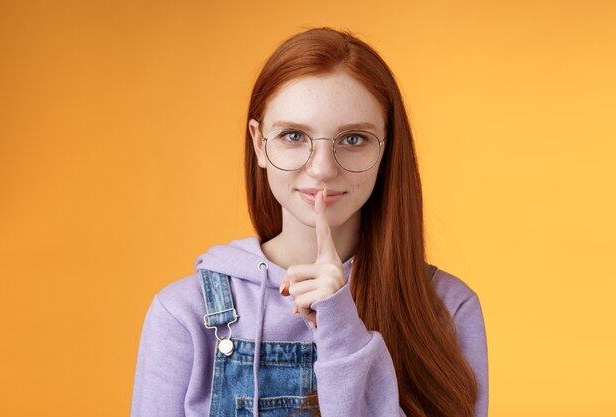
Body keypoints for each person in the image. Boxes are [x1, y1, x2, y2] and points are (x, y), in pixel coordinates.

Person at [130, 27, 488, 417]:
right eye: (293, 135)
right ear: (258, 143)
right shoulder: (184, 313)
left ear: (387, 148)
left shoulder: (447, 308)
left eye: (353, 139)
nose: (322, 169)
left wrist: (343, 332)